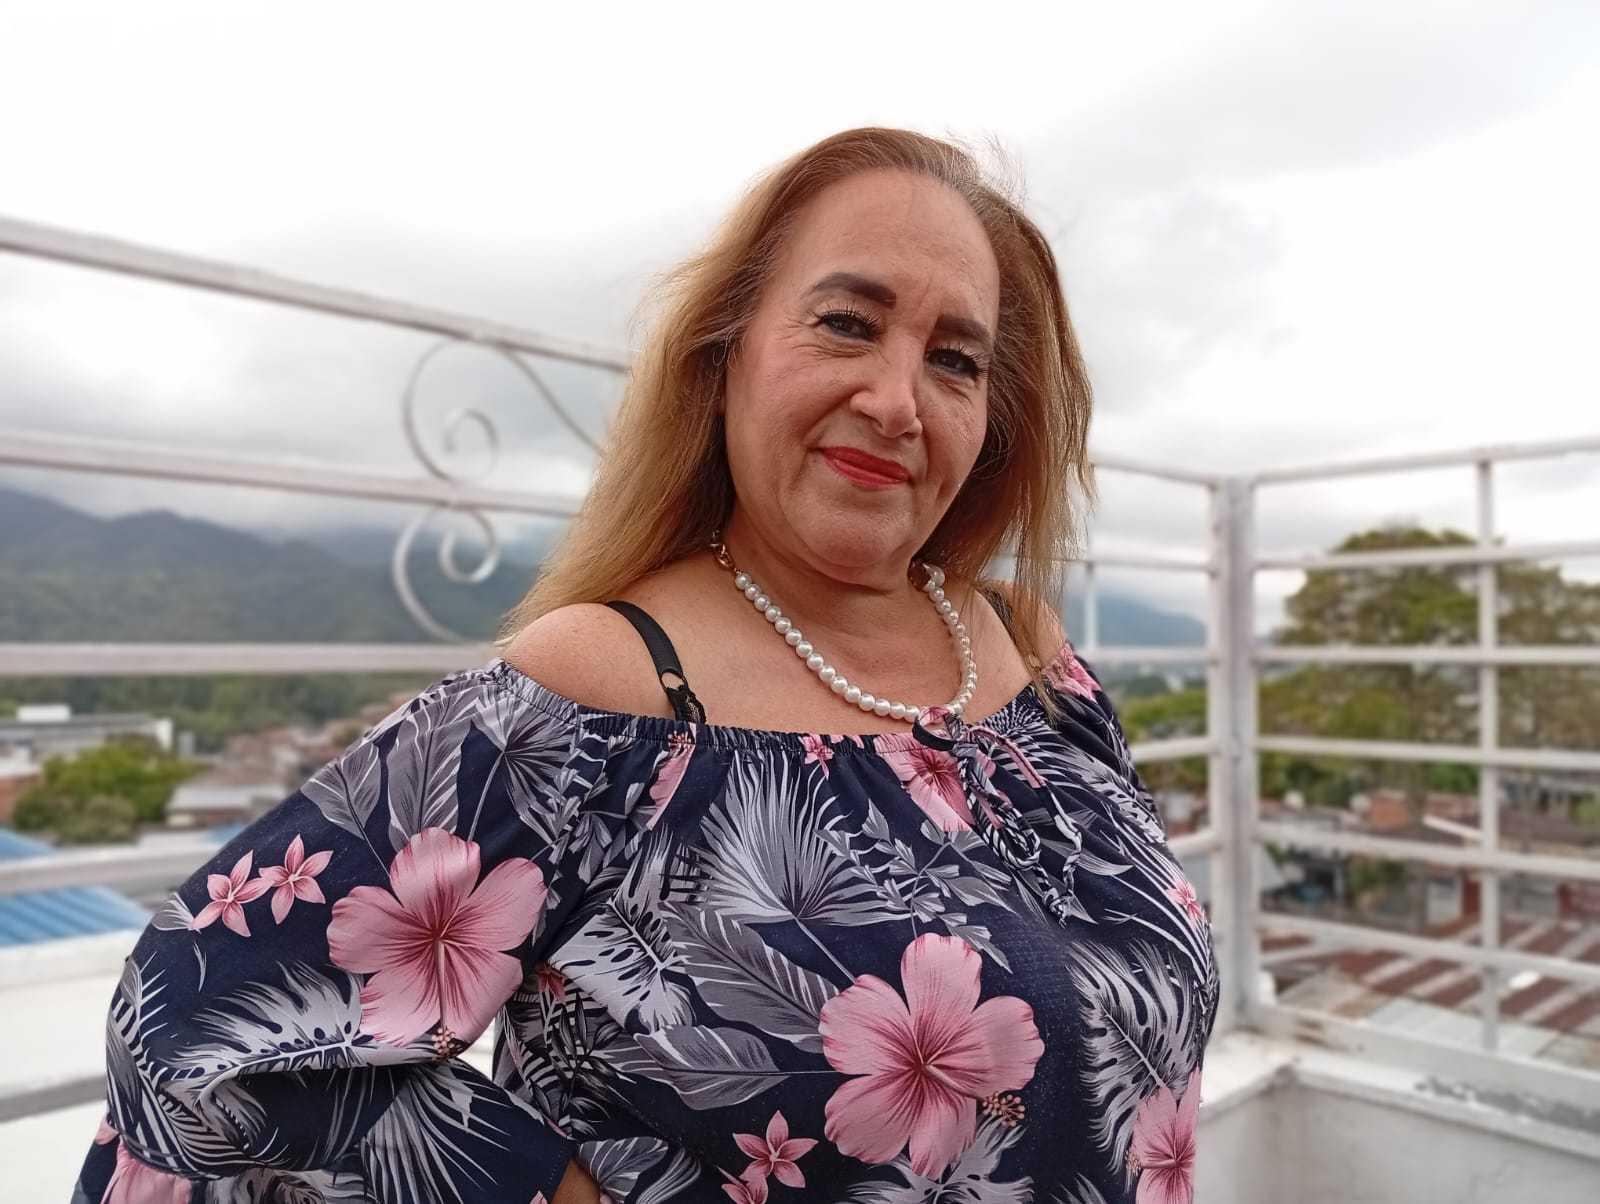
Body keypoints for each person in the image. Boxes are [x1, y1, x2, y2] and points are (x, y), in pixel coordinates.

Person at [74, 127, 1219, 1204]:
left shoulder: (1027, 653)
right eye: (845, 324)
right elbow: (195, 1028)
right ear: (724, 355)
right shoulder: (606, 696)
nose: (894, 400)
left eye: (954, 360)